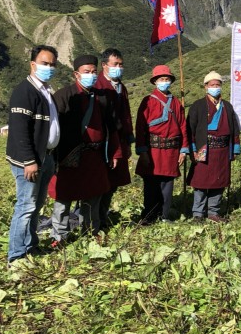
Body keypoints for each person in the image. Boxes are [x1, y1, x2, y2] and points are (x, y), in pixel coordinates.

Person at [48, 55, 121, 245]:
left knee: (93, 194)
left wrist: (115, 152)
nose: (91, 75)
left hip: (95, 155)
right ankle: (59, 236)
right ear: (76, 74)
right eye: (86, 72)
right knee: (63, 196)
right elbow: (53, 129)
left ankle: (91, 231)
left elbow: (112, 127)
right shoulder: (63, 96)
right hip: (69, 155)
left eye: (93, 72)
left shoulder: (103, 97)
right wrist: (53, 157)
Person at [6, 45, 60, 265]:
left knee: (36, 206)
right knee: (25, 207)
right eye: (45, 63)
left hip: (46, 157)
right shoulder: (24, 92)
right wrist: (29, 161)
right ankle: (16, 255)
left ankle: (31, 246)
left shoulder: (45, 91)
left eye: (52, 64)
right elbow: (19, 129)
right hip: (29, 161)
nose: (49, 68)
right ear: (33, 64)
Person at [134, 65, 189, 223]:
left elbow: (183, 126)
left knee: (167, 185)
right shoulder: (148, 101)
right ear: (155, 82)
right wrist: (142, 151)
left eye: (167, 79)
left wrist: (183, 150)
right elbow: (140, 127)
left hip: (171, 151)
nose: (164, 82)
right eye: (161, 79)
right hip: (153, 151)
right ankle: (149, 216)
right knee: (151, 184)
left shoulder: (176, 103)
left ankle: (164, 216)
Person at [186, 71, 241, 222]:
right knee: (201, 183)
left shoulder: (228, 107)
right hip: (203, 149)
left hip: (223, 150)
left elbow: (235, 130)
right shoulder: (197, 106)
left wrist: (235, 149)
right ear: (206, 87)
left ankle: (213, 213)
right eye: (212, 85)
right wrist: (192, 150)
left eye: (218, 85)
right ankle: (198, 213)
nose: (215, 87)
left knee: (219, 182)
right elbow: (189, 130)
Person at [93, 48, 134, 228]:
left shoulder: (121, 87)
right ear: (104, 65)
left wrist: (128, 141)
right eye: (115, 64)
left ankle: (102, 215)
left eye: (121, 64)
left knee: (113, 181)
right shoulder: (98, 86)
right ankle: (95, 220)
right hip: (106, 142)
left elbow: (126, 115)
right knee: (100, 181)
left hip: (121, 140)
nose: (119, 67)